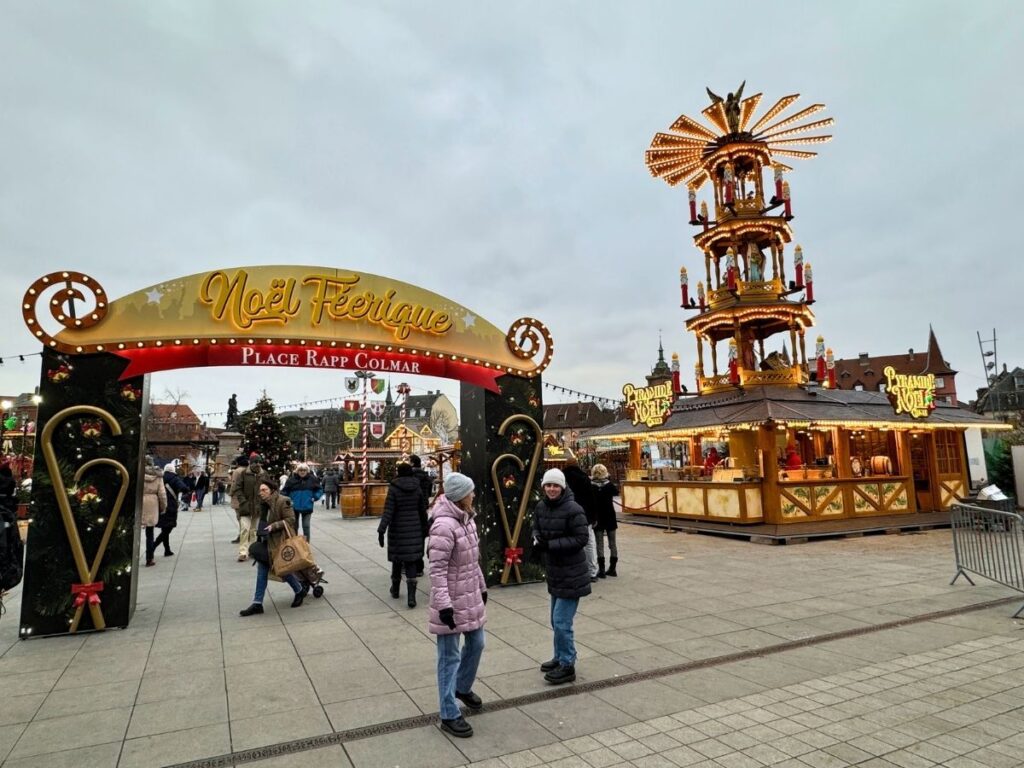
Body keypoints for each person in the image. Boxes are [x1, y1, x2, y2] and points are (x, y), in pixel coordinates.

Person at [428, 472, 487, 738]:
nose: (474, 495)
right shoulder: (443, 526)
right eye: (471, 491)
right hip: (450, 601)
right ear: (461, 495)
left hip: (470, 594)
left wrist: (482, 586)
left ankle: (462, 686)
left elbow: (473, 561)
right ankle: (449, 713)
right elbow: (437, 571)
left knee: (477, 643)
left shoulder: (467, 520)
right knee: (449, 657)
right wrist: (444, 606)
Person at [532, 468, 590, 685]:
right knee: (555, 620)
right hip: (555, 573)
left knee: (561, 620)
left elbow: (581, 538)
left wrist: (551, 545)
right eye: (548, 485)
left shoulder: (573, 509)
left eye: (555, 485)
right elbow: (536, 528)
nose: (551, 489)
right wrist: (537, 540)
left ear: (563, 487)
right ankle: (559, 656)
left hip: (572, 573)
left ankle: (567, 663)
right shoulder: (541, 506)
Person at [239, 479, 308, 616]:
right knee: (263, 572)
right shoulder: (263, 504)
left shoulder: (283, 501)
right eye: (260, 490)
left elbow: (291, 520)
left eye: (264, 490)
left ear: (272, 490)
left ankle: (299, 590)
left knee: (281, 568)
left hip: (279, 541)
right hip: (266, 542)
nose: (261, 493)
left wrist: (274, 526)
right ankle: (257, 603)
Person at [378, 463, 428, 607]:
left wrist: (381, 530)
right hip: (414, 528)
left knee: (397, 560)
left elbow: (388, 511)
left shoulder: (394, 488)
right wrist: (425, 529)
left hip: (398, 530)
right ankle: (411, 597)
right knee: (411, 561)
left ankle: (395, 589)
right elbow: (422, 510)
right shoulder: (417, 487)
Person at [562, 457, 598, 582]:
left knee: (569, 542)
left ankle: (573, 570)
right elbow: (591, 498)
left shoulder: (562, 478)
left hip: (567, 515)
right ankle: (592, 571)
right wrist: (593, 517)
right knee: (589, 543)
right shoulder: (584, 478)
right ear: (577, 465)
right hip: (585, 515)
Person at [232, 454, 264, 562]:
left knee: (254, 531)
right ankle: (242, 552)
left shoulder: (264, 475)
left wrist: (264, 500)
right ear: (251, 463)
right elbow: (238, 488)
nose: (257, 464)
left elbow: (269, 488)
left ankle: (252, 551)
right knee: (245, 529)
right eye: (255, 462)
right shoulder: (244, 473)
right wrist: (242, 500)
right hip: (246, 506)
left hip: (258, 506)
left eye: (259, 462)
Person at [590, 464, 619, 578]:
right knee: (612, 543)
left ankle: (601, 570)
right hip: (610, 516)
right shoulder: (609, 485)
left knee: (599, 544)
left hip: (598, 517)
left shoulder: (591, 486)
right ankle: (612, 568)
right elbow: (616, 492)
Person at [282, 463, 322, 541]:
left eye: (304, 470)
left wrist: (315, 497)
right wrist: (287, 501)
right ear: (297, 471)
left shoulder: (312, 479)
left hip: (307, 506)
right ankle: (295, 544)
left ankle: (306, 545)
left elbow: (319, 490)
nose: (302, 472)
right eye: (300, 470)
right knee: (294, 526)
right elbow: (284, 492)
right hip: (294, 507)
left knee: (306, 526)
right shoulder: (291, 480)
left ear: (307, 471)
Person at [156, 462, 186, 557]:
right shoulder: (175, 478)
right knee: (167, 529)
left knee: (165, 528)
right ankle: (152, 547)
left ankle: (167, 550)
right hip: (171, 506)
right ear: (173, 470)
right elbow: (184, 488)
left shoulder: (160, 478)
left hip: (160, 506)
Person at [141, 457, 167, 567]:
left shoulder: (138, 473)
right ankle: (149, 558)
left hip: (139, 501)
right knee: (149, 533)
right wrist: (163, 507)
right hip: (152, 502)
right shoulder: (158, 476)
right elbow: (162, 494)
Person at [228, 457, 248, 544]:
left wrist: (231, 493)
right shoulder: (249, 470)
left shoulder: (237, 471)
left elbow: (234, 484)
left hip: (238, 496)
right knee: (246, 518)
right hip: (247, 496)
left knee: (240, 517)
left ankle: (242, 535)